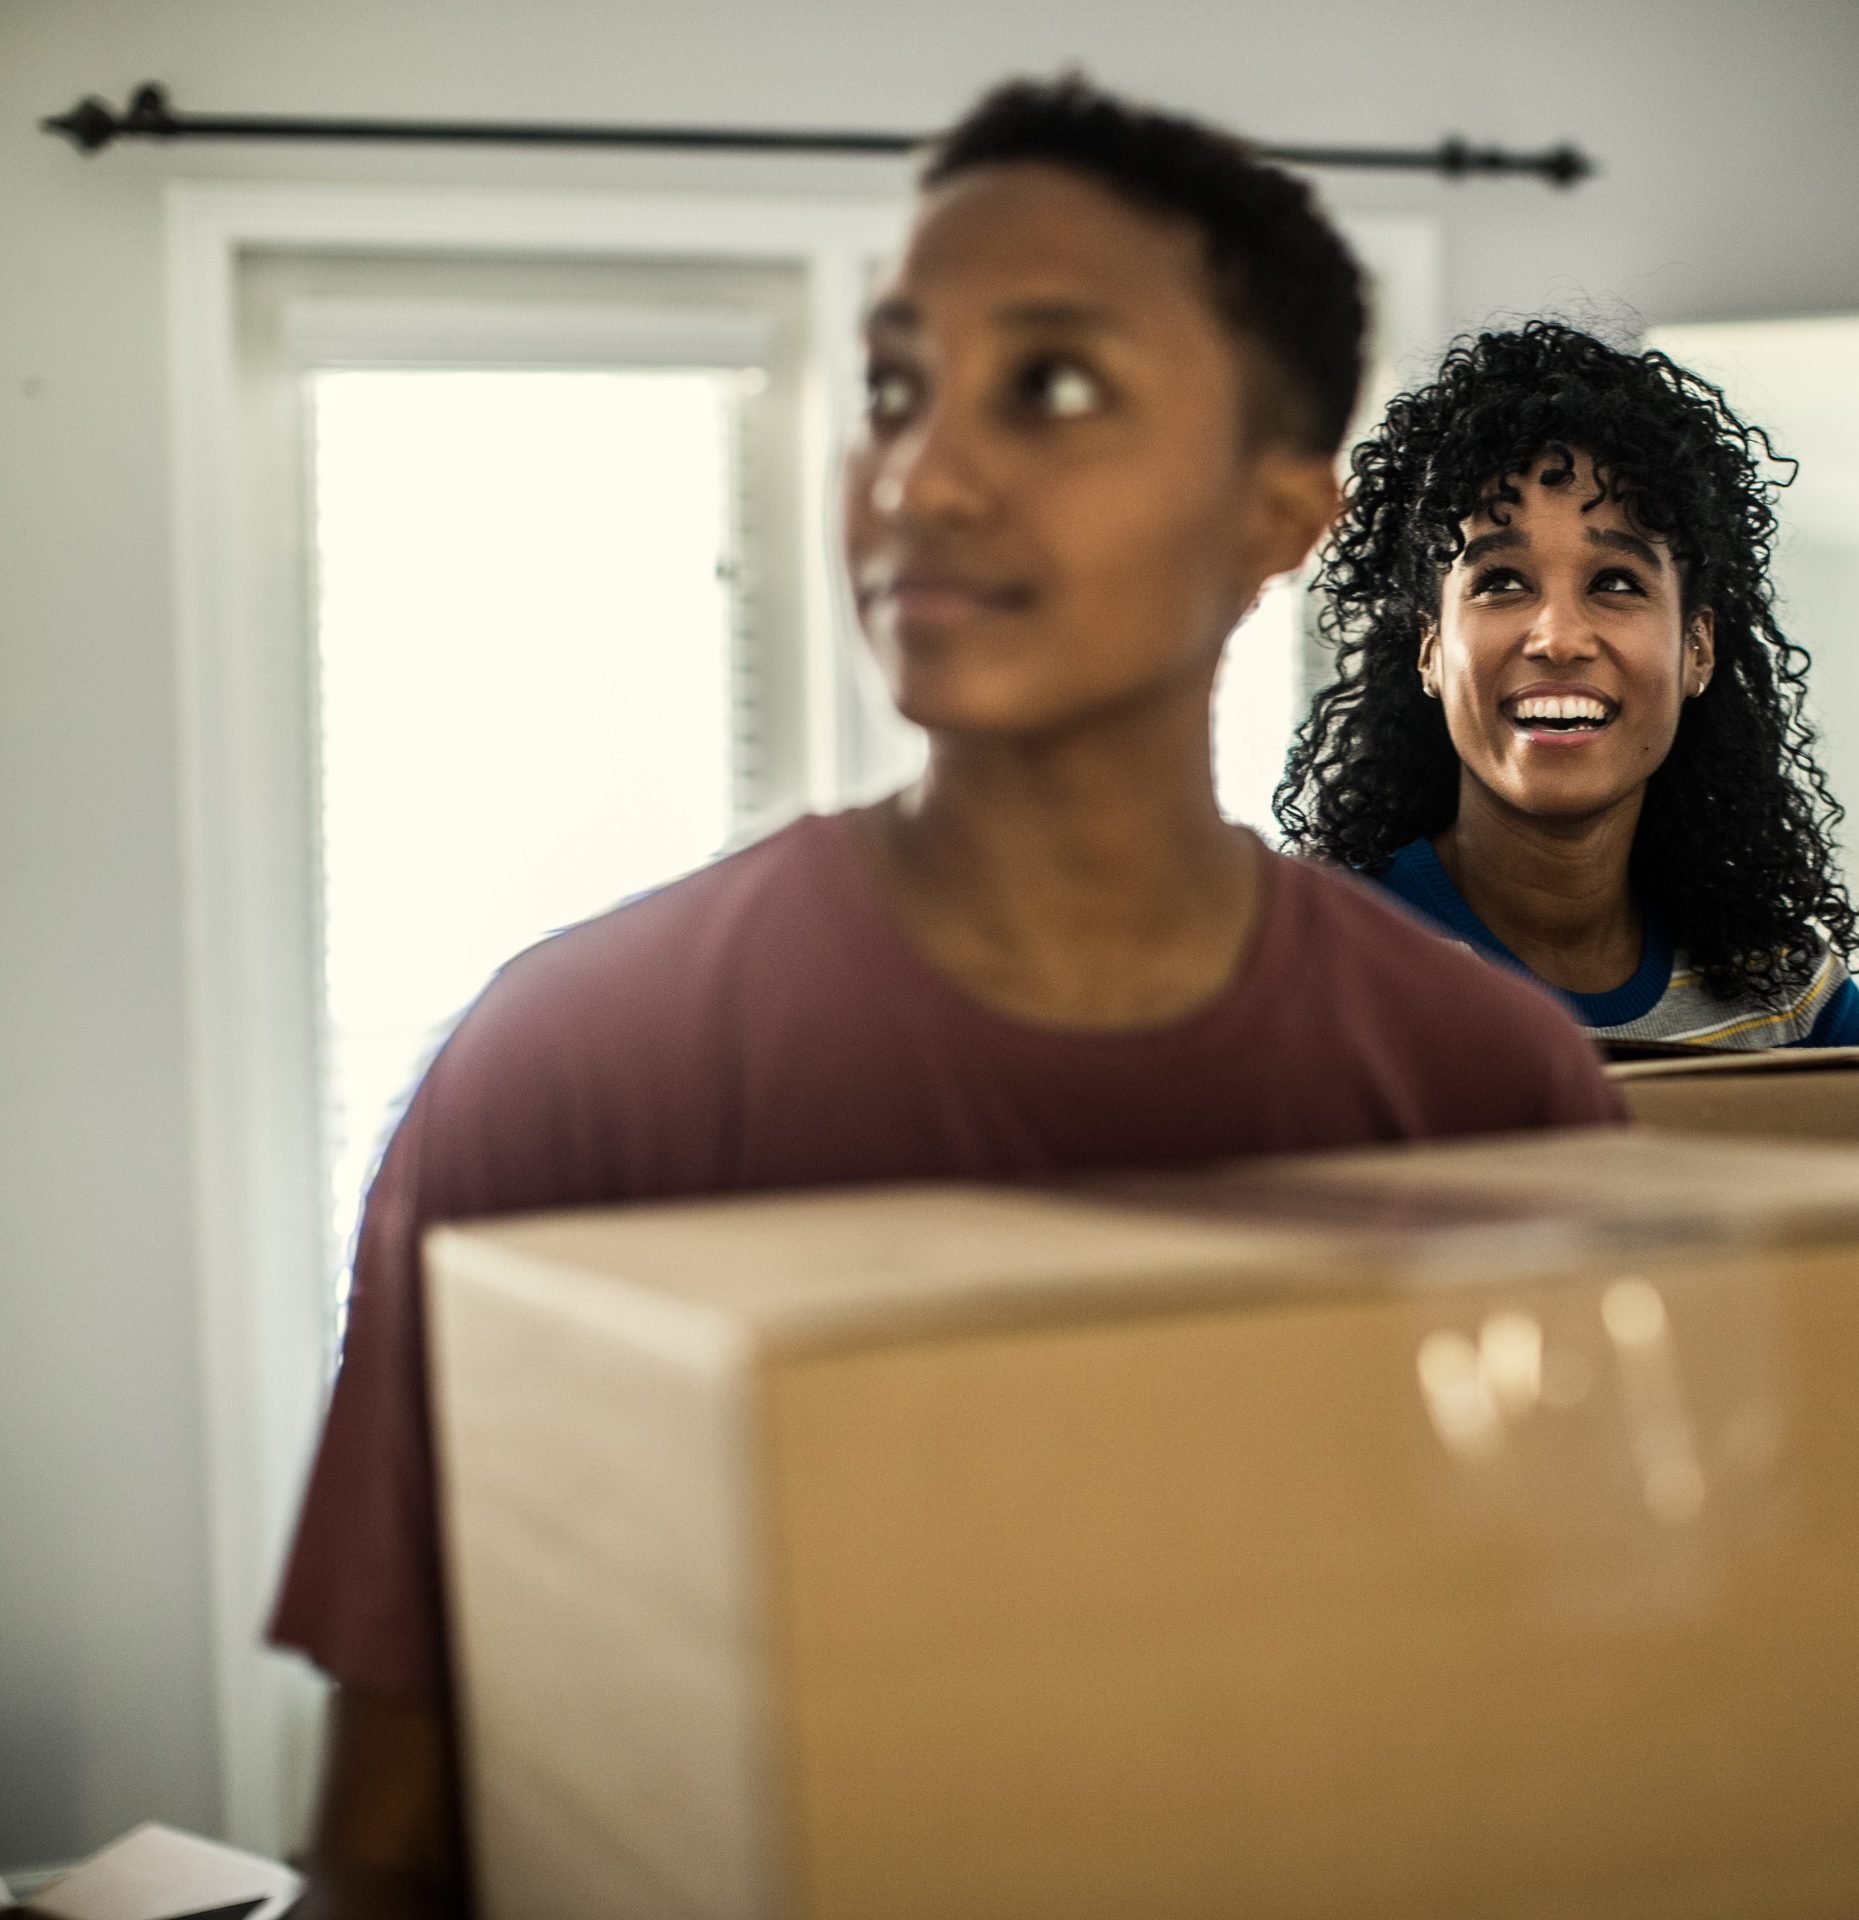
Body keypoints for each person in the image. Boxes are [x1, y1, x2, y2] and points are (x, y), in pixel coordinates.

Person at [274, 82, 1620, 1914]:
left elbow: (1573, 1758)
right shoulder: (568, 1070)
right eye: (895, 389)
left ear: (1279, 511)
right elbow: (382, 1847)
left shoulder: (1488, 1086)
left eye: (1051, 388)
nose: (923, 477)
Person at [1276, 322, 1859, 1053]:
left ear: (1697, 649)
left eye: (1616, 583)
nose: (1558, 636)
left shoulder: (1791, 996)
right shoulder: (1306, 966)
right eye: (1500, 582)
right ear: (1430, 651)